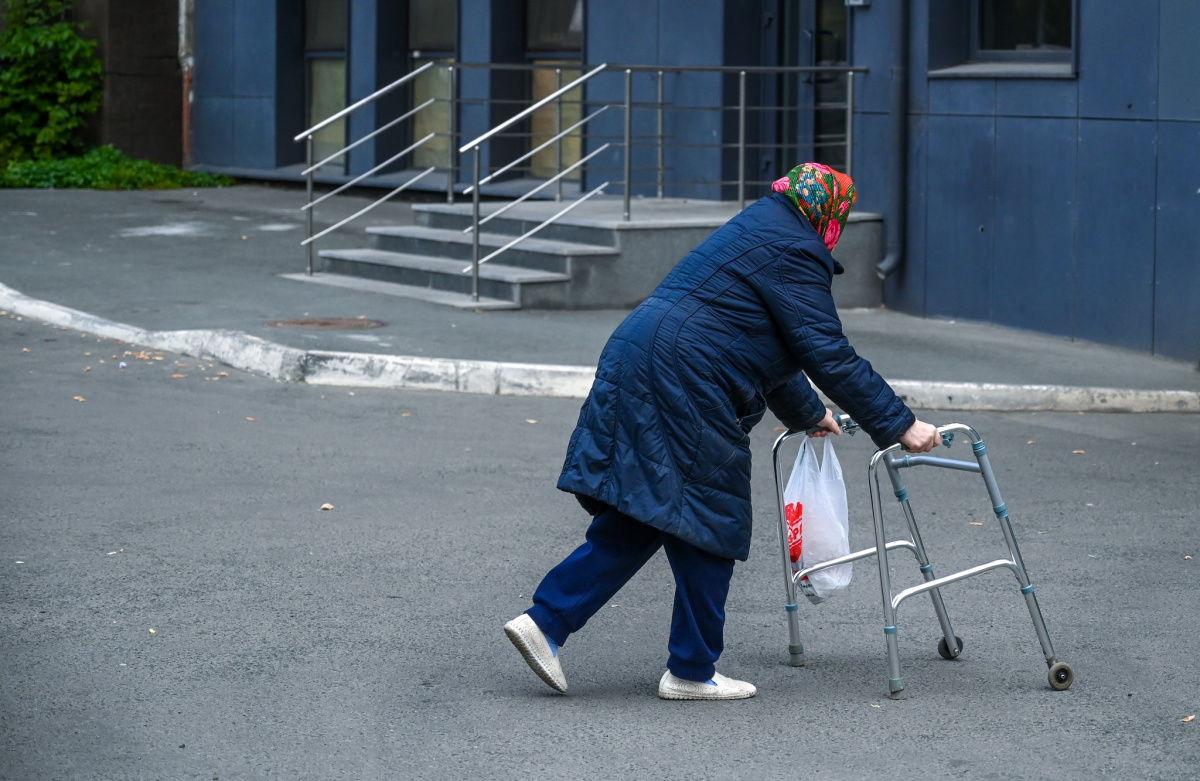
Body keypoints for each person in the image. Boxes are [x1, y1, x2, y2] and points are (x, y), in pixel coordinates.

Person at [504, 163, 940, 700]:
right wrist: (901, 424)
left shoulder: (760, 227)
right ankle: (689, 671)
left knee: (651, 508)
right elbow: (826, 352)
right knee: (710, 515)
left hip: (644, 355)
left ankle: (547, 622)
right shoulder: (797, 249)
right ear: (829, 213)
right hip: (687, 376)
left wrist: (809, 414)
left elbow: (763, 339)